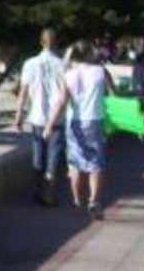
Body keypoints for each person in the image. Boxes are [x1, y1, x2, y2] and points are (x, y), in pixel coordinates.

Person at [47, 42, 114, 218]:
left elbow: (61, 102)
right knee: (96, 163)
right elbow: (114, 96)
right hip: (95, 121)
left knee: (75, 164)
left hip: (74, 122)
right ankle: (94, 200)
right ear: (90, 54)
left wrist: (49, 125)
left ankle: (77, 200)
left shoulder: (68, 75)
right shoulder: (101, 71)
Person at [12, 28, 70, 207]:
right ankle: (49, 194)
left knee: (38, 156)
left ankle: (38, 191)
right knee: (53, 157)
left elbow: (22, 93)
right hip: (57, 118)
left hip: (37, 116)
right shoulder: (62, 64)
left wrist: (18, 116)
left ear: (41, 42)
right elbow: (65, 94)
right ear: (56, 42)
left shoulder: (30, 63)